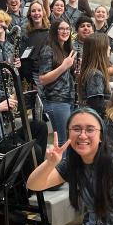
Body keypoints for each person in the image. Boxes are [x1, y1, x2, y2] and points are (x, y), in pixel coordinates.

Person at [38, 19, 76, 147]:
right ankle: (59, 167)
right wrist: (63, 66)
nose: (65, 31)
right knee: (62, 141)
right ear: (55, 31)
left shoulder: (66, 49)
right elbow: (42, 79)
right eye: (61, 28)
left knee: (68, 139)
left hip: (68, 99)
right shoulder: (47, 50)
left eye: (67, 29)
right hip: (56, 101)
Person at [78, 33, 111, 118]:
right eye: (108, 46)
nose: (110, 48)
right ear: (101, 49)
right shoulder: (95, 74)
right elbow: (97, 104)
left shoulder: (94, 72)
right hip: (95, 120)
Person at [19, 1, 50, 87]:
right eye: (33, 11)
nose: (36, 13)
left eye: (39, 10)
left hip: (44, 75)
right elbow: (23, 57)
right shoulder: (25, 34)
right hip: (29, 76)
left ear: (43, 13)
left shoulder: (50, 33)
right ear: (30, 14)